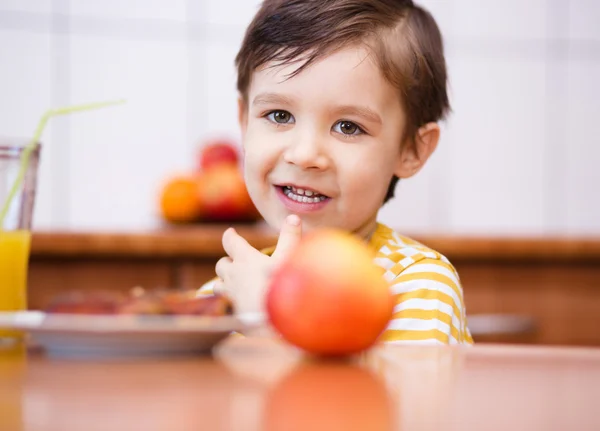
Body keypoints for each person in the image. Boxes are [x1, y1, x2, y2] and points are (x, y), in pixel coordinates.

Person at [198, 0, 473, 345]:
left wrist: (267, 317)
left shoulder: (415, 284)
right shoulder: (227, 289)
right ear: (244, 121)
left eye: (348, 127)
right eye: (280, 115)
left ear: (411, 150)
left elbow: (399, 399)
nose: (305, 155)